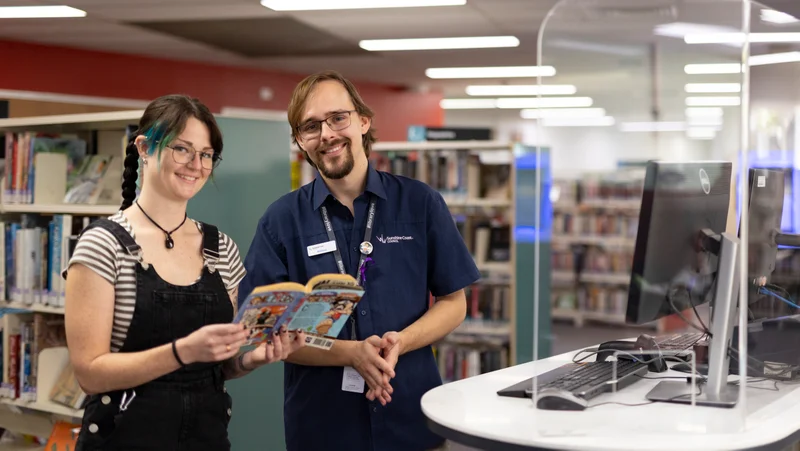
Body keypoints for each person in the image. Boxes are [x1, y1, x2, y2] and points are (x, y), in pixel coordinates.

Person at [239, 70, 481, 451]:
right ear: (300, 141)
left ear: (363, 121)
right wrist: (349, 353)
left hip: (412, 415)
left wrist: (400, 342)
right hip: (322, 424)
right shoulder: (281, 220)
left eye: (338, 118)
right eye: (310, 126)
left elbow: (454, 302)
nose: (327, 134)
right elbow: (266, 328)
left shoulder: (420, 203)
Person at [63, 94, 306, 451]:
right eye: (182, 149)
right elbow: (89, 374)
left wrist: (252, 359)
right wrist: (182, 351)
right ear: (144, 148)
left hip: (205, 438)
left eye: (206, 154)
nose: (196, 164)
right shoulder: (103, 245)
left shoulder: (220, 247)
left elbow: (220, 366)